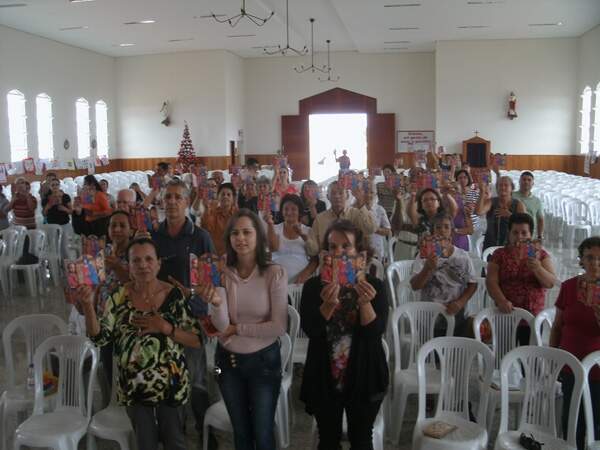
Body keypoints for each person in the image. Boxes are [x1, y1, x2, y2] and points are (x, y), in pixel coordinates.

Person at [77, 238, 201, 450]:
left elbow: (197, 339)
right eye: (136, 260)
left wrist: (166, 328)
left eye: (149, 259)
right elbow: (100, 338)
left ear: (159, 263)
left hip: (171, 384)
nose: (143, 265)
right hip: (134, 386)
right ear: (129, 266)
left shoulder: (174, 295)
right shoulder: (118, 296)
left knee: (175, 442)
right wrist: (88, 306)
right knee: (145, 444)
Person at [196, 209, 287, 450]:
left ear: (258, 235)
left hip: (264, 362)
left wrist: (238, 329)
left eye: (247, 232)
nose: (241, 238)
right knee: (241, 432)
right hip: (226, 363)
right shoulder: (223, 272)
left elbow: (279, 326)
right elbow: (221, 327)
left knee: (263, 432)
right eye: (235, 233)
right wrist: (216, 302)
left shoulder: (274, 273)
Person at [300, 220, 389, 450]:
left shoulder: (375, 286)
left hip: (364, 374)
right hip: (324, 374)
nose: (338, 252)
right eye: (332, 247)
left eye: (345, 246)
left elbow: (375, 334)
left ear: (360, 252)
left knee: (361, 440)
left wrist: (365, 303)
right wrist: (328, 305)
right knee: (328, 440)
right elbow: (311, 330)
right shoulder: (313, 287)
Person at [150, 178, 216, 446]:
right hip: (162, 318)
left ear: (188, 202)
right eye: (168, 197)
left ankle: (205, 432)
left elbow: (212, 281)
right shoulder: (155, 237)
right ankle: (174, 433)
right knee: (168, 378)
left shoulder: (200, 237)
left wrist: (193, 294)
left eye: (178, 197)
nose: (172, 202)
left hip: (192, 318)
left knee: (197, 382)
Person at [550, 236, 600, 450]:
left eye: (599, 258)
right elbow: (557, 326)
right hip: (570, 364)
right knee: (572, 422)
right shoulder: (569, 287)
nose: (595, 263)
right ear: (581, 260)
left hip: (598, 369)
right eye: (590, 257)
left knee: (595, 423)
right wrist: (553, 358)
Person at [486, 213, 556, 344]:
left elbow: (550, 283)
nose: (519, 237)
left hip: (533, 317)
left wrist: (537, 268)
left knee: (530, 355)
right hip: (505, 314)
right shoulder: (499, 255)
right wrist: (501, 301)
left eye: (524, 233)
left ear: (530, 235)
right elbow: (491, 281)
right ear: (509, 234)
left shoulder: (541, 255)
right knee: (504, 352)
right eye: (515, 232)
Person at [410, 213, 477, 336]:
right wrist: (427, 268)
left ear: (452, 232)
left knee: (456, 346)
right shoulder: (424, 256)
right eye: (438, 227)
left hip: (456, 315)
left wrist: (460, 302)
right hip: (429, 318)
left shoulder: (462, 256)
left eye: (446, 227)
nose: (442, 230)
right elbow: (415, 286)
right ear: (433, 232)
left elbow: (472, 284)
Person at [305, 181, 377, 257]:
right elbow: (313, 251)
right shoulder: (319, 219)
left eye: (341, 193)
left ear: (347, 195)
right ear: (328, 197)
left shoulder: (356, 214)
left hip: (353, 261)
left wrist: (361, 203)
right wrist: (305, 238)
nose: (337, 196)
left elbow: (371, 229)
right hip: (328, 262)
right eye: (333, 193)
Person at [267, 194, 317, 283]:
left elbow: (314, 257)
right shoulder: (274, 229)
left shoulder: (307, 230)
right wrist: (270, 225)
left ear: (299, 211)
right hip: (276, 281)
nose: (289, 213)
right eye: (286, 209)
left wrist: (306, 273)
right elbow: (272, 249)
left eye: (293, 209)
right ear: (282, 211)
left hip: (300, 283)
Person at [478, 176, 526, 251]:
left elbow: (524, 225)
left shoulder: (518, 204)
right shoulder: (491, 201)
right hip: (490, 246)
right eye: (500, 185)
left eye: (506, 185)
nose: (503, 187)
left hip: (512, 246)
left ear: (512, 188)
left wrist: (510, 216)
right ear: (497, 188)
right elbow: (479, 212)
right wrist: (482, 192)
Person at [201, 182, 237, 255]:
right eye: (223, 194)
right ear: (218, 197)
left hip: (234, 254)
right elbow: (206, 228)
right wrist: (206, 209)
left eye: (228, 195)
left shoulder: (238, 215)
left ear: (233, 199)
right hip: (215, 255)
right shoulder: (212, 212)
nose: (225, 196)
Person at [41, 178, 72, 257]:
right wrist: (48, 206)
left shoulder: (65, 196)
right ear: (50, 186)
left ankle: (66, 263)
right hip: (52, 225)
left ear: (59, 185)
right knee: (53, 247)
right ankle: (56, 263)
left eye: (56, 184)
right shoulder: (46, 198)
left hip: (64, 224)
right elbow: (44, 214)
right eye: (53, 185)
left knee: (64, 247)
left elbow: (71, 211)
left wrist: (64, 209)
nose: (55, 186)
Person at [512, 171, 544, 240]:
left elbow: (540, 219)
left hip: (530, 235)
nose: (526, 182)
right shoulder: (512, 196)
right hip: (514, 234)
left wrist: (540, 236)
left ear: (533, 183)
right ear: (519, 182)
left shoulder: (537, 201)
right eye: (524, 180)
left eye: (529, 180)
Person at [365, 186, 392, 261]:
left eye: (371, 192)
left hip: (377, 252)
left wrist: (374, 228)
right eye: (366, 192)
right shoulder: (356, 209)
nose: (368, 195)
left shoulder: (380, 209)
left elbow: (388, 231)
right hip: (360, 251)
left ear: (375, 194)